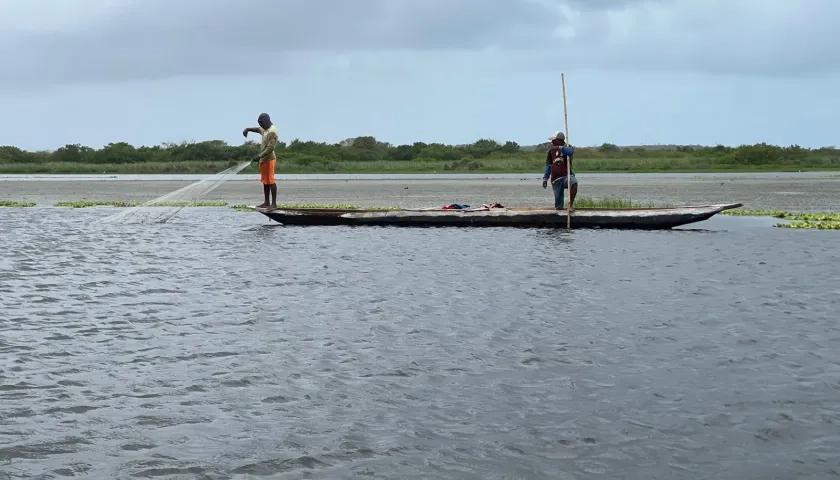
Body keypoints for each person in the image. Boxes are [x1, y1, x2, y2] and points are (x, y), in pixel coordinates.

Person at [242, 113, 279, 209]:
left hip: (269, 159)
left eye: (262, 122)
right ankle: (266, 202)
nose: (260, 125)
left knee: (271, 180)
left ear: (267, 120)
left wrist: (259, 156)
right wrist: (248, 129)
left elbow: (270, 148)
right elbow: (258, 129)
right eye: (259, 123)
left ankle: (274, 204)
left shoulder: (272, 131)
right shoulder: (264, 129)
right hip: (263, 160)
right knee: (265, 181)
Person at [541, 131, 578, 211]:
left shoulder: (567, 147)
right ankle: (560, 213)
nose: (552, 142)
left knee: (574, 183)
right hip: (556, 180)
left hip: (566, 176)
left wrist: (559, 148)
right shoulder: (551, 151)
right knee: (559, 207)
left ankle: (570, 205)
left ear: (559, 140)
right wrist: (545, 178)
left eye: (554, 140)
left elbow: (570, 152)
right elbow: (548, 165)